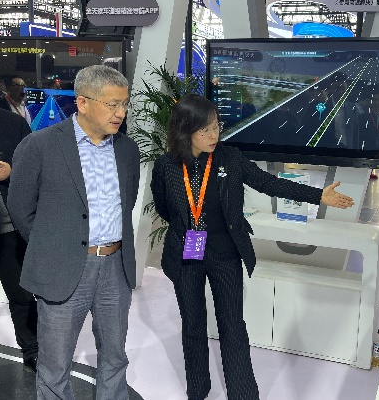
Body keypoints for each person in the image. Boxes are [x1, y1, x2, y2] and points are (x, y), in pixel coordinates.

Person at [151, 93, 355, 400]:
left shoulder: (230, 159)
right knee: (192, 326)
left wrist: (318, 196)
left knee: (233, 326)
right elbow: (164, 207)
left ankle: (243, 394)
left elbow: (269, 183)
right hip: (186, 254)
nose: (214, 135)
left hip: (225, 254)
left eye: (216, 126)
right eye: (205, 129)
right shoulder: (166, 166)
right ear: (185, 129)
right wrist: (189, 227)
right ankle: (198, 390)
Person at [7, 65, 140, 399]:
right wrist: (55, 247)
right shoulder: (39, 145)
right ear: (83, 102)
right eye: (112, 104)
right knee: (54, 367)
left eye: (124, 104)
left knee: (115, 357)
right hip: (63, 267)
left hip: (116, 267)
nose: (121, 113)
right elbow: (21, 208)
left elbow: (127, 201)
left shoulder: (127, 149)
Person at [0, 61, 38, 377]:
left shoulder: (14, 125)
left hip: (9, 226)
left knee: (21, 294)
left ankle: (34, 351)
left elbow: (37, 172)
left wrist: (11, 173)